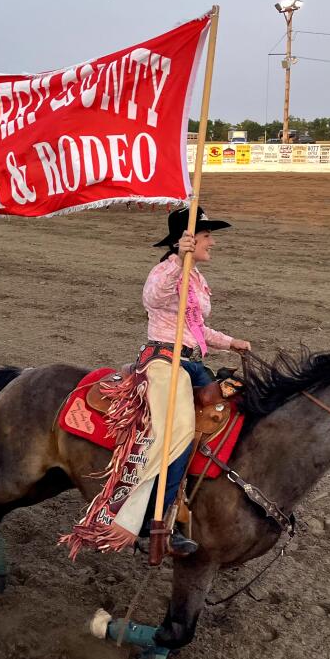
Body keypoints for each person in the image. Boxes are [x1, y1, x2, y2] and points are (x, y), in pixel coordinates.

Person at [63, 206, 250, 559]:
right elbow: (153, 298)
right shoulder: (167, 271)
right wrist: (180, 259)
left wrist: (230, 342)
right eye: (207, 235)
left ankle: (196, 500)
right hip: (164, 362)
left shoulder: (194, 277)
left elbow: (194, 327)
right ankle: (154, 518)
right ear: (188, 241)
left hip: (190, 363)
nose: (213, 242)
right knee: (176, 429)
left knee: (214, 421)